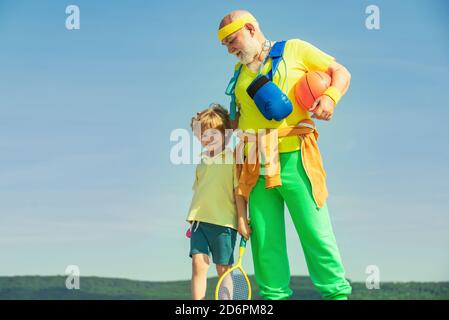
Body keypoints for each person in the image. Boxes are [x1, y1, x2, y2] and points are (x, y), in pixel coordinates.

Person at [217, 10, 353, 300]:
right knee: (266, 246)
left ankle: (337, 295)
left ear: (251, 29)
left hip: (296, 159)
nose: (230, 49)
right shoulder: (238, 75)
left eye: (233, 40)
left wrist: (330, 97)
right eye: (226, 45)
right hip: (255, 166)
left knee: (317, 236)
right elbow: (238, 124)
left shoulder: (294, 49)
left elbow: (341, 73)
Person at [186, 104, 251, 300]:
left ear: (225, 134)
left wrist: (242, 220)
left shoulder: (232, 158)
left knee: (224, 269)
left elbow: (238, 192)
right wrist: (193, 218)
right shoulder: (202, 161)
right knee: (198, 264)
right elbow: (200, 192)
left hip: (224, 224)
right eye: (203, 135)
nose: (207, 139)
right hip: (200, 223)